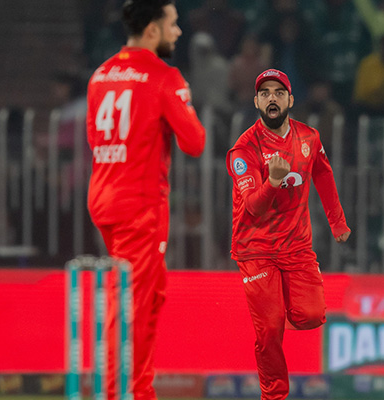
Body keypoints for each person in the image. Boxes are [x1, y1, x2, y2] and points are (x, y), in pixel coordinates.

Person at [85, 1, 206, 399]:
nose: (179, 32)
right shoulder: (162, 75)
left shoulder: (101, 74)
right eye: (173, 24)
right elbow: (194, 141)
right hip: (139, 204)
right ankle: (120, 393)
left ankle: (138, 390)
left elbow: (96, 139)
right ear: (152, 29)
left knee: (149, 296)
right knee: (132, 306)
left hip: (105, 195)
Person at [226, 69, 351, 400]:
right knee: (269, 329)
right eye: (264, 93)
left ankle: (280, 304)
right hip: (255, 249)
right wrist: (274, 181)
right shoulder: (244, 150)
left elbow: (323, 174)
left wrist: (337, 222)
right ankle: (275, 396)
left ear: (290, 100)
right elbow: (253, 206)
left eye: (279, 92)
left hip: (296, 247)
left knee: (311, 316)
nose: (272, 98)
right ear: (256, 101)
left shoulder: (309, 138)